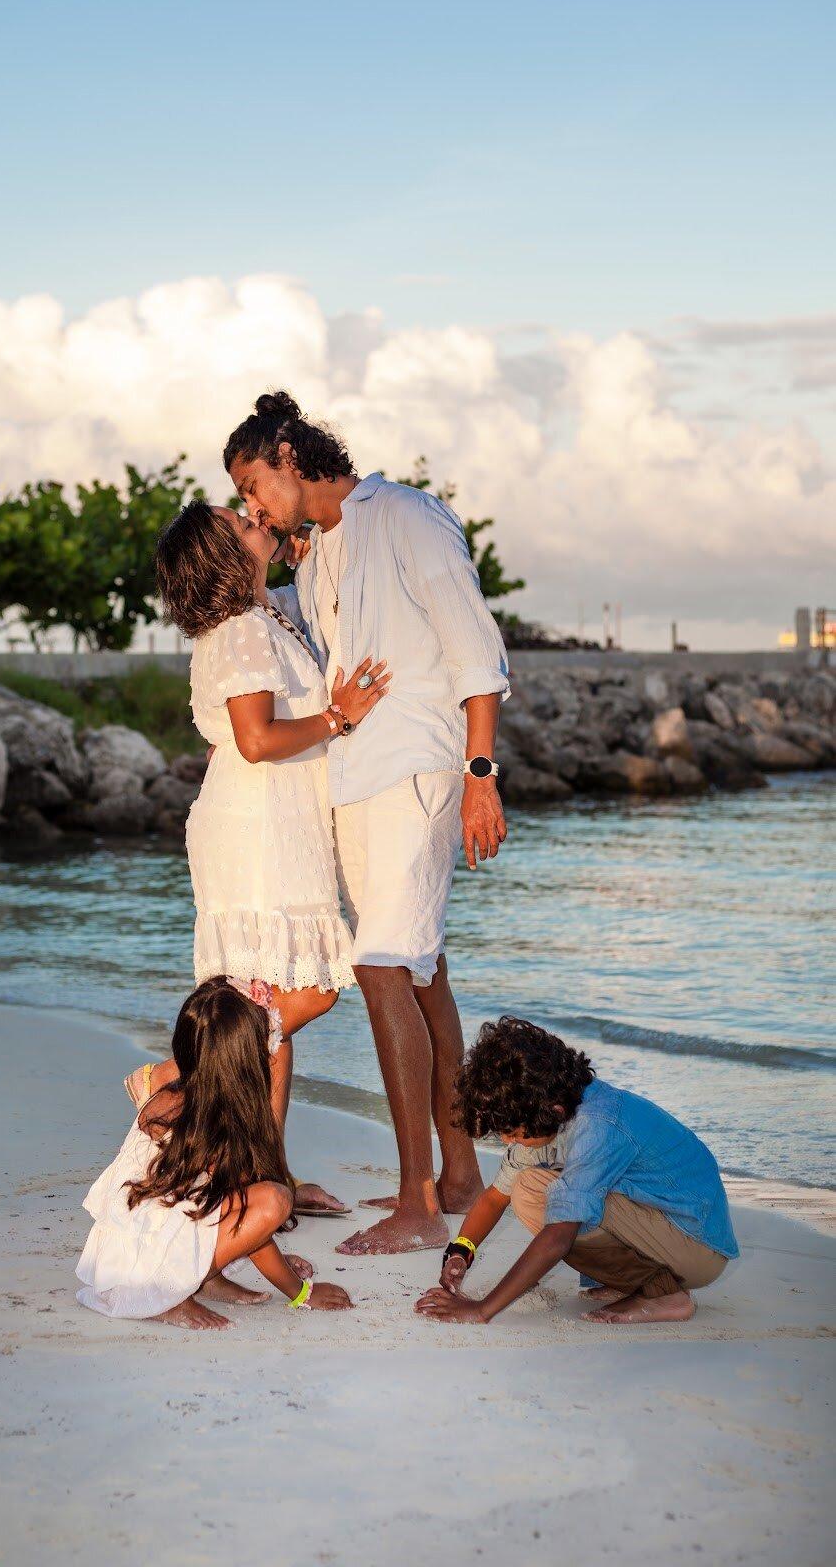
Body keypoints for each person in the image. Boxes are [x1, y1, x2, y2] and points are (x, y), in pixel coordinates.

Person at [224, 391, 511, 1255]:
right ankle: (458, 1175)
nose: (251, 505)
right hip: (354, 781)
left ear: (288, 454)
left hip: (416, 769)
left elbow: (474, 646)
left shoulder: (409, 517)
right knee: (420, 971)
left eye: (251, 483)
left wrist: (480, 774)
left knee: (382, 964)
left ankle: (416, 1202)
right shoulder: (316, 558)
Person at [152, 497, 388, 1216]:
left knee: (267, 1009)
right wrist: (339, 715)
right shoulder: (241, 630)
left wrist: (297, 545)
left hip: (274, 819)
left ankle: (266, 1180)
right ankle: (179, 1078)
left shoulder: (260, 616)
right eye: (236, 518)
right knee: (307, 992)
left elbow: (313, 577)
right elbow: (255, 739)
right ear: (219, 553)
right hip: (257, 826)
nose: (252, 513)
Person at [415, 1016, 739, 1326]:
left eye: (514, 1132)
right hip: (663, 1231)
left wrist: (482, 1310)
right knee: (532, 1187)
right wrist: (461, 1251)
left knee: (539, 1193)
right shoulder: (555, 1111)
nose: (508, 1140)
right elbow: (494, 1198)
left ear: (551, 1111)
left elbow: (558, 1237)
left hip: (695, 1245)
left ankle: (665, 1296)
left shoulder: (596, 1125)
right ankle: (631, 1282)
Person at [76, 977, 353, 1330]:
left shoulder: (169, 1099)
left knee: (238, 1200)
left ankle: (205, 1276)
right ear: (243, 1064)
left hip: (129, 1248)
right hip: (144, 1269)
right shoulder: (220, 1126)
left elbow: (194, 1205)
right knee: (275, 1201)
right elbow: (244, 1216)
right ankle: (169, 1293)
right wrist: (300, 1292)